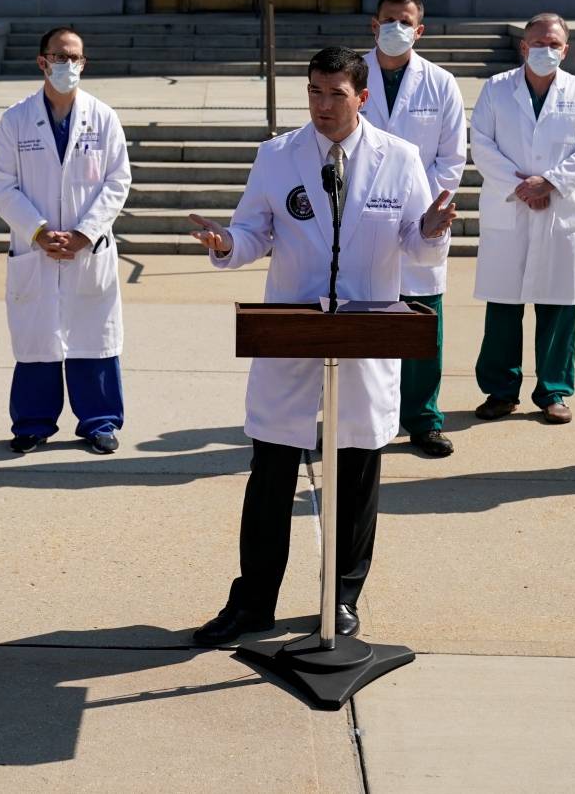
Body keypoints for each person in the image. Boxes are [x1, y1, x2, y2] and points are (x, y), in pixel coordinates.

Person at [185, 46, 458, 646]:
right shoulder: (278, 156)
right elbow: (255, 229)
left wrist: (432, 231)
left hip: (365, 332)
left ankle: (342, 598)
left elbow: (414, 240)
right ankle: (253, 601)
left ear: (362, 98)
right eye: (313, 91)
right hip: (291, 328)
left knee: (357, 469)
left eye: (336, 94)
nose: (322, 105)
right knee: (272, 469)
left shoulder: (401, 159)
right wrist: (224, 240)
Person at [0, 27, 132, 455]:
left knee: (93, 335)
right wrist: (38, 230)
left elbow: (118, 180)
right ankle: (32, 424)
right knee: (38, 338)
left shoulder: (103, 118)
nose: (68, 65)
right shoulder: (16, 119)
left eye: (75, 58)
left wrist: (87, 232)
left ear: (84, 63)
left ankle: (99, 422)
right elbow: (0, 184)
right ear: (42, 62)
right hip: (38, 249)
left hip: (89, 250)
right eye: (59, 57)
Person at [469, 13, 575, 424]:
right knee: (504, 306)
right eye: (538, 44)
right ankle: (501, 389)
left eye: (554, 44)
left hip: (560, 210)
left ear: (566, 49)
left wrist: (549, 182)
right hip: (509, 207)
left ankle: (553, 391)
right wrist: (523, 190)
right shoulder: (496, 89)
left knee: (559, 305)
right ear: (523, 47)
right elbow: (482, 143)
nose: (546, 51)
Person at [360, 0, 466, 457]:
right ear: (374, 23)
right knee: (369, 323)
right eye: (388, 19)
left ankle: (423, 418)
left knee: (422, 321)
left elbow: (451, 156)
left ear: (419, 30)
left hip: (423, 217)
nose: (395, 28)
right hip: (363, 216)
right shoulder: (352, 73)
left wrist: (422, 208)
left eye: (405, 21)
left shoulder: (440, 83)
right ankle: (363, 418)